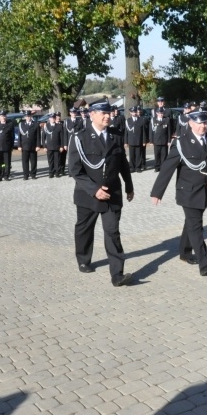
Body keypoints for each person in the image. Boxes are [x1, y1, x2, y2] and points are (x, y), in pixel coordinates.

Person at [150, 110, 207, 276]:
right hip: (188, 191)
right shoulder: (181, 142)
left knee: (192, 223)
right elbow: (167, 169)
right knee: (196, 225)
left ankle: (185, 252)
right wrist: (157, 192)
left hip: (205, 190)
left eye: (205, 123)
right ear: (190, 123)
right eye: (199, 123)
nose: (203, 126)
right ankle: (205, 262)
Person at [67, 102, 134, 287]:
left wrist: (129, 185)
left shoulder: (115, 136)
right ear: (92, 115)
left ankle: (117, 274)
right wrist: (94, 190)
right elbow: (74, 170)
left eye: (109, 113)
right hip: (88, 194)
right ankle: (83, 259)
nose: (108, 116)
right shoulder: (79, 138)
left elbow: (123, 164)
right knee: (84, 229)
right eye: (103, 113)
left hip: (112, 192)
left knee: (112, 231)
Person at [0, 111, 15, 181]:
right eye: (1, 116)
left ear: (6, 116)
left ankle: (6, 175)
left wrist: (11, 146)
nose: (3, 117)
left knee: (7, 162)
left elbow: (12, 136)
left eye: (4, 116)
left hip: (7, 146)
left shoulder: (10, 124)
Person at [18, 110, 41, 180]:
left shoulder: (36, 124)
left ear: (31, 116)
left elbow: (38, 136)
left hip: (33, 146)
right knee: (25, 161)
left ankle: (33, 174)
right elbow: (19, 136)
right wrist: (19, 145)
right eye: (26, 116)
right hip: (24, 146)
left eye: (29, 116)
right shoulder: (21, 124)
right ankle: (26, 175)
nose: (28, 117)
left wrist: (38, 145)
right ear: (25, 117)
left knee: (33, 161)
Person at [125, 106, 147, 172]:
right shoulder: (128, 121)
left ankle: (138, 167)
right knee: (131, 155)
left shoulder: (141, 120)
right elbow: (126, 132)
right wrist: (125, 142)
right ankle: (132, 167)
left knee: (138, 155)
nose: (134, 113)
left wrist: (144, 141)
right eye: (132, 112)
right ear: (130, 113)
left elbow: (143, 132)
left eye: (135, 112)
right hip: (131, 140)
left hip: (139, 140)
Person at [149, 106, 172, 171]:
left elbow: (169, 131)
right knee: (157, 155)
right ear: (157, 113)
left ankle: (163, 167)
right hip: (156, 140)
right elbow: (151, 131)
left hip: (164, 140)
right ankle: (157, 167)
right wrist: (151, 140)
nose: (161, 114)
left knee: (164, 155)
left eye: (162, 113)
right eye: (159, 113)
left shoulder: (167, 120)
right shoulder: (153, 120)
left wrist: (169, 141)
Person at [42, 113, 65, 178]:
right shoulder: (46, 126)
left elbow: (61, 137)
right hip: (49, 146)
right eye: (51, 118)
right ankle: (51, 172)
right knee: (50, 160)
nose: (52, 119)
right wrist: (44, 146)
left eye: (54, 118)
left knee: (57, 160)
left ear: (55, 119)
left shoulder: (59, 126)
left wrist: (61, 146)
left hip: (57, 146)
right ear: (49, 119)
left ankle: (57, 172)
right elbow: (43, 137)